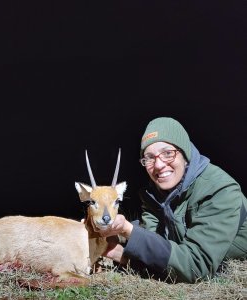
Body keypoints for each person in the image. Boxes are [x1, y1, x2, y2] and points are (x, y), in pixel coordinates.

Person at [98, 117, 247, 283]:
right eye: (149, 158)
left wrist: (129, 231)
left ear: (185, 154)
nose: (159, 165)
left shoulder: (220, 190)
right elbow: (160, 249)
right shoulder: (153, 193)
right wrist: (118, 248)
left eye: (168, 153)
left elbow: (195, 267)